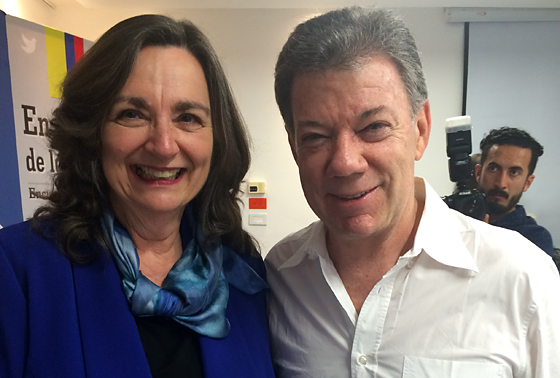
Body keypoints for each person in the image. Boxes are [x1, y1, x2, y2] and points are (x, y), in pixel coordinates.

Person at [266, 7, 560, 378]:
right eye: (315, 136)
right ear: (294, 147)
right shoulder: (281, 275)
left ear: (420, 130)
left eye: (373, 127)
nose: (345, 163)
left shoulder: (522, 279)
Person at [0, 15, 275, 378]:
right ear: (92, 131)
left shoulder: (242, 270)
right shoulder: (18, 269)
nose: (163, 146)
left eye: (188, 117)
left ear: (216, 138)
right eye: (132, 114)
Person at [476, 127, 555, 255]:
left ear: (527, 183)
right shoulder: (456, 217)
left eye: (514, 172)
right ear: (478, 173)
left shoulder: (534, 238)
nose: (501, 183)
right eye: (493, 169)